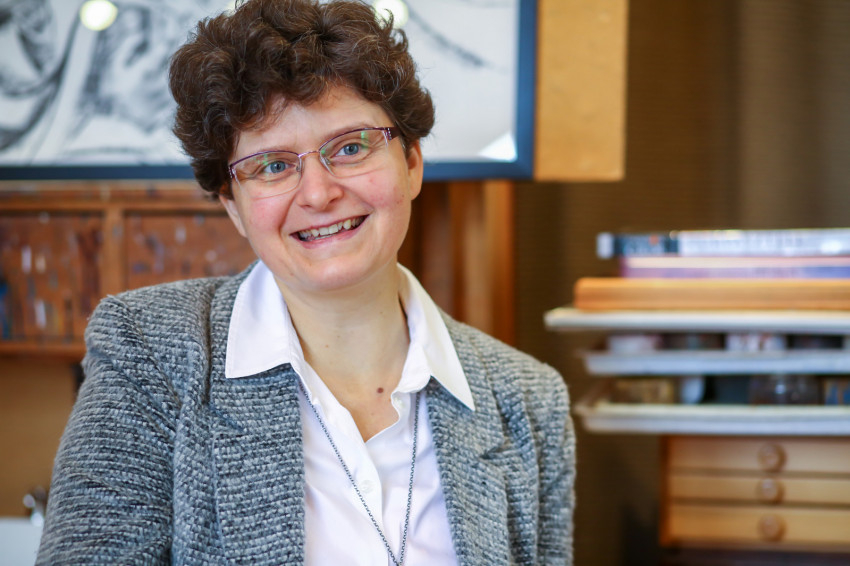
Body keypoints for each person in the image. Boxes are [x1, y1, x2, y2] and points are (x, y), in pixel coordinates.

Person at [36, 0, 575, 564]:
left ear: (412, 163)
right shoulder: (150, 354)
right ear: (234, 206)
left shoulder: (527, 401)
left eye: (350, 147)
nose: (318, 193)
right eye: (272, 166)